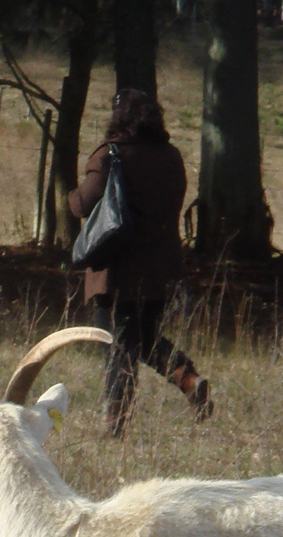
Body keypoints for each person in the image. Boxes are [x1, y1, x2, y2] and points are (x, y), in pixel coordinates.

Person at [68, 89, 212, 438]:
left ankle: (114, 427)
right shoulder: (172, 156)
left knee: (118, 348)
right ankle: (190, 381)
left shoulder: (111, 156)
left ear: (118, 120)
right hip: (160, 268)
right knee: (143, 339)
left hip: (116, 271)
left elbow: (82, 204)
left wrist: (69, 193)